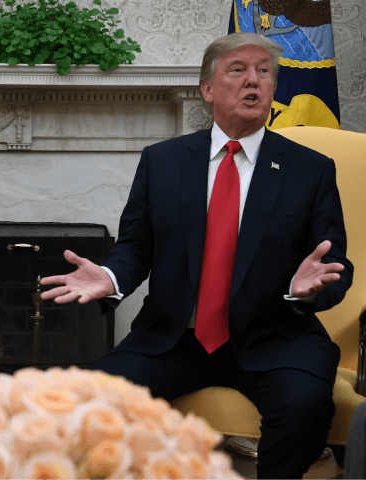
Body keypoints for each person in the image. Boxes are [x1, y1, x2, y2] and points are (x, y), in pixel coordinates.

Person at [40, 32, 353, 479]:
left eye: (264, 71)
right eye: (238, 70)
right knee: (96, 399)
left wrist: (303, 290)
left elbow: (334, 265)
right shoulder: (162, 162)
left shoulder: (310, 169)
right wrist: (111, 275)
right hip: (175, 339)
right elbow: (136, 247)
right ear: (208, 89)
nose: (255, 81)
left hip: (277, 335)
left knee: (304, 405)